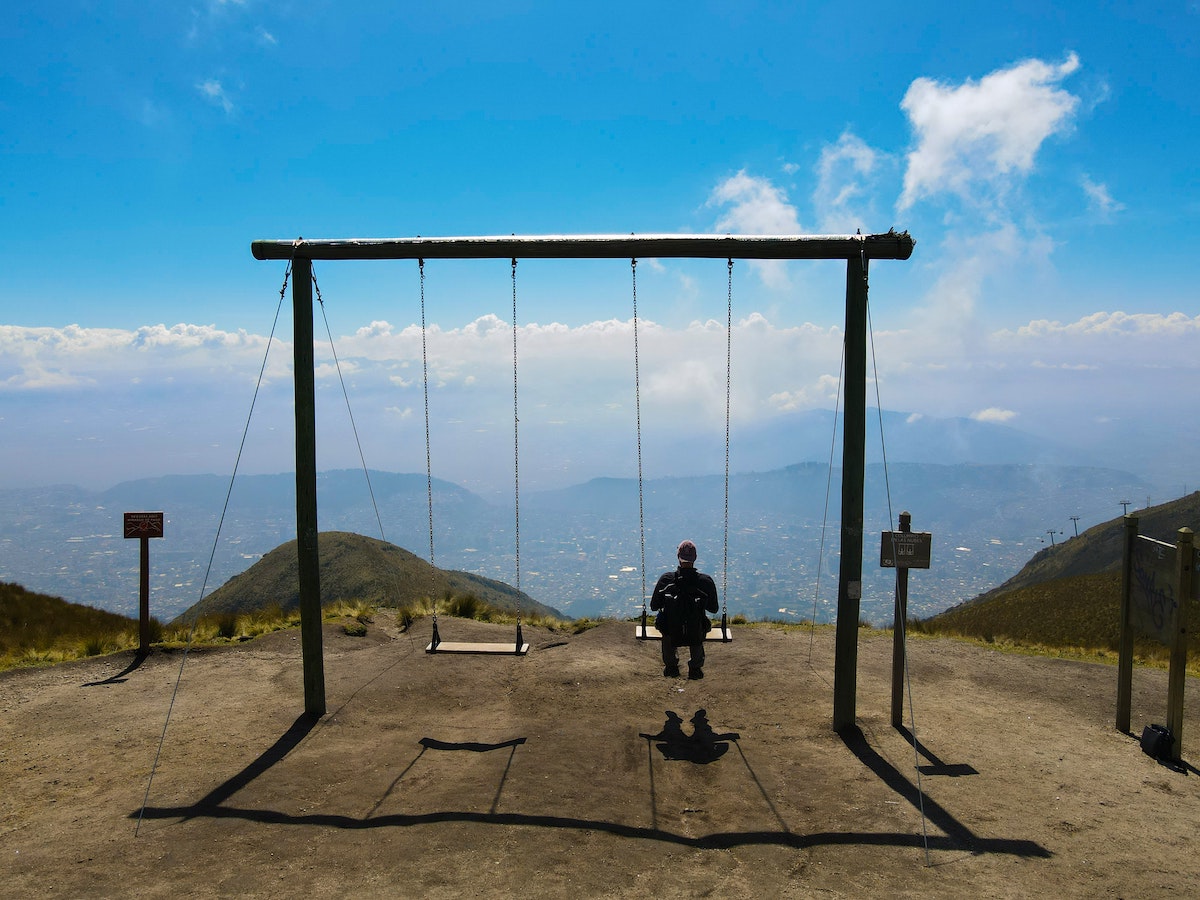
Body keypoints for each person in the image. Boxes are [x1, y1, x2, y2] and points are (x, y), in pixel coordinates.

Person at [650, 539, 719, 679]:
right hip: (695, 631)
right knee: (698, 623)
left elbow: (654, 606)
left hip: (672, 630)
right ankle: (695, 667)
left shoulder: (666, 579)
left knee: (666, 624)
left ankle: (671, 666)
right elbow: (714, 609)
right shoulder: (705, 581)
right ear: (695, 558)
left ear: (678, 557)